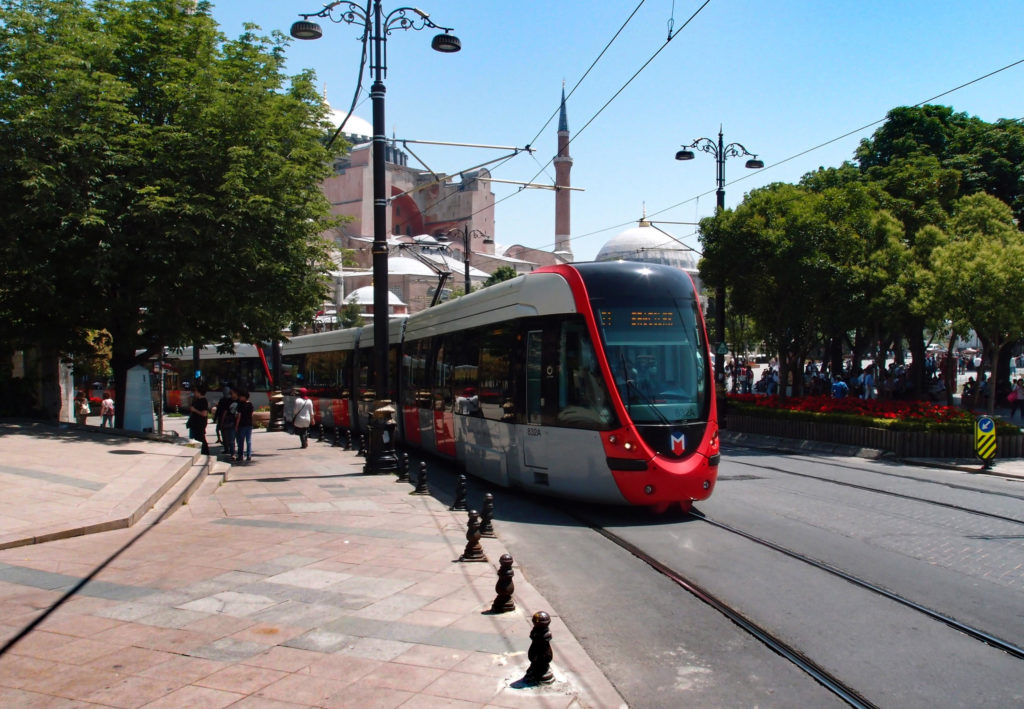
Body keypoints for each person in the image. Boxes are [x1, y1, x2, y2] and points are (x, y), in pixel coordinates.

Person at [187, 384, 210, 455]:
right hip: (193, 424)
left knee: (199, 439)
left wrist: (194, 410)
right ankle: (193, 452)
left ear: (199, 392)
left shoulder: (203, 401)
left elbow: (204, 414)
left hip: (199, 424)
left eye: (195, 391)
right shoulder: (196, 400)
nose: (194, 393)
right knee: (193, 438)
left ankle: (202, 452)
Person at [234, 389, 254, 463]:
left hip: (242, 425)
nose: (239, 398)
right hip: (249, 424)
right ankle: (249, 455)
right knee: (248, 441)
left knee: (241, 440)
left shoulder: (241, 405)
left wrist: (236, 425)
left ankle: (240, 455)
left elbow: (239, 416)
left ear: (244, 397)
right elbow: (252, 414)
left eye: (240, 396)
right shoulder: (250, 404)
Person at [218, 388, 238, 460]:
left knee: (238, 440)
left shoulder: (240, 401)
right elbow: (225, 412)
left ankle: (239, 453)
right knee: (231, 439)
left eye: (232, 393)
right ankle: (233, 453)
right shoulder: (228, 401)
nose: (231, 394)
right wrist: (222, 422)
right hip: (231, 422)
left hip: (239, 423)